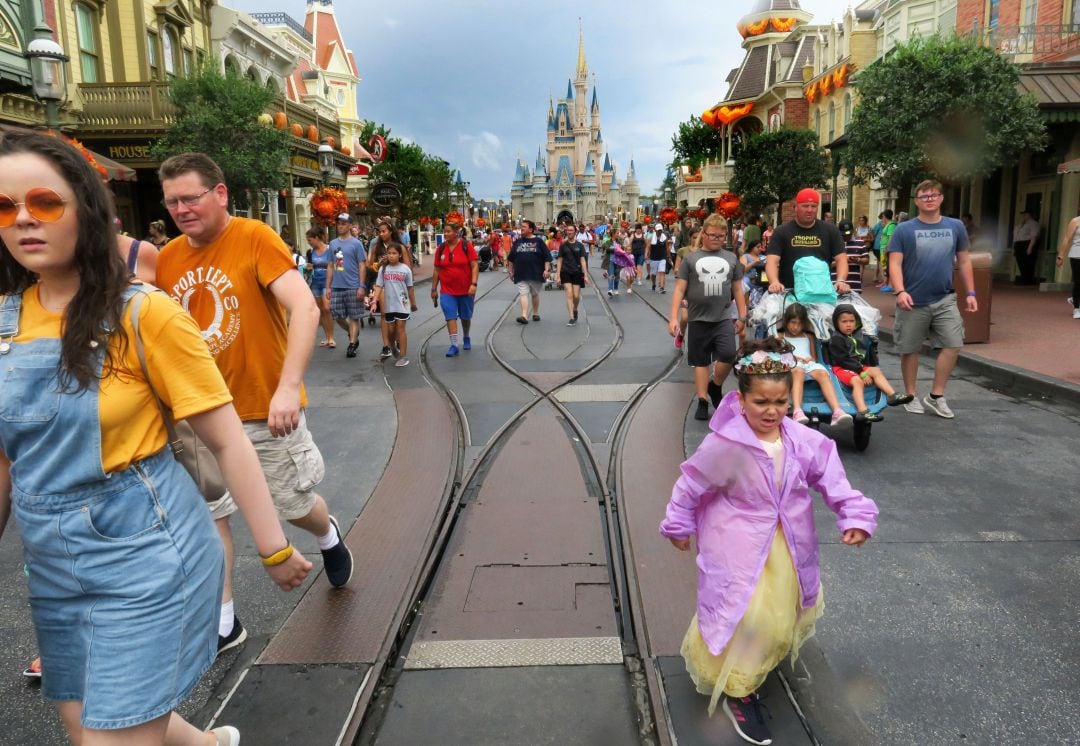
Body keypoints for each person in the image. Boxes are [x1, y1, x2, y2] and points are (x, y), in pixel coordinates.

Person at [0, 130, 311, 745]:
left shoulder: (146, 313)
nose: (24, 220)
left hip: (144, 552)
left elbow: (228, 441)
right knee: (89, 721)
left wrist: (273, 549)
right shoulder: (6, 321)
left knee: (106, 736)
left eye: (45, 202)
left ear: (87, 210)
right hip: (53, 565)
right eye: (5, 208)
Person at [157, 152, 354, 655]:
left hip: (262, 409)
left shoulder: (254, 238)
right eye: (172, 201)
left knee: (292, 507)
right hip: (199, 414)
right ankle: (225, 621)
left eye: (191, 197)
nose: (181, 208)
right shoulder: (168, 259)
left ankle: (326, 532)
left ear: (219, 194)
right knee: (211, 519)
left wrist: (288, 388)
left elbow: (304, 307)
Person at [660, 336, 878, 746]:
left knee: (778, 619)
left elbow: (833, 479)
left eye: (779, 402)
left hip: (787, 547)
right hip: (736, 546)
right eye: (761, 402)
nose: (772, 411)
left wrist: (856, 515)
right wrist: (679, 523)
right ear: (742, 400)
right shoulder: (727, 445)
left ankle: (751, 667)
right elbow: (693, 486)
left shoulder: (802, 440)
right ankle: (739, 692)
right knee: (745, 616)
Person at [888, 179, 977, 419]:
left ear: (941, 198)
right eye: (923, 196)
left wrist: (971, 292)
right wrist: (900, 291)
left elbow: (964, 260)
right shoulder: (904, 229)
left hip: (944, 298)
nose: (929, 199)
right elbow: (894, 263)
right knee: (910, 348)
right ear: (916, 201)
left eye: (933, 195)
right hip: (912, 299)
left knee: (953, 343)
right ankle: (910, 394)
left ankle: (936, 396)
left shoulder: (955, 226)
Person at [669, 213, 747, 421]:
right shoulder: (691, 259)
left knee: (729, 354)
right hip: (697, 318)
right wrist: (673, 318)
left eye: (721, 236)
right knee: (700, 361)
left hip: (722, 317)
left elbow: (738, 289)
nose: (717, 240)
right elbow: (679, 289)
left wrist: (742, 315)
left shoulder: (730, 258)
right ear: (703, 234)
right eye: (713, 235)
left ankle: (715, 386)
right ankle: (702, 400)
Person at [828, 305, 913, 421]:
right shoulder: (836, 339)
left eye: (852, 321)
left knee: (876, 370)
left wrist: (866, 366)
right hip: (841, 367)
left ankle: (892, 395)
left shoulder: (855, 336)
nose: (848, 324)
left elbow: (862, 356)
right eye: (844, 321)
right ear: (836, 323)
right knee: (857, 381)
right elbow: (843, 360)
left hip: (856, 366)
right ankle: (862, 411)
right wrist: (862, 373)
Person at [765, 188, 849, 298]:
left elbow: (841, 259)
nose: (810, 210)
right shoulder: (782, 231)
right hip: (790, 293)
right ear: (796, 207)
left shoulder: (830, 230)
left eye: (813, 206)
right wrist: (774, 282)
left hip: (821, 294)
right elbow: (772, 261)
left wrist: (841, 280)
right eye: (805, 206)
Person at [777, 304, 852, 426]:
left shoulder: (809, 336)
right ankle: (797, 410)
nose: (796, 327)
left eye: (800, 323)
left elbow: (814, 357)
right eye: (793, 322)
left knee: (823, 373)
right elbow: (781, 354)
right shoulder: (781, 336)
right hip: (791, 363)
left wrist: (808, 359)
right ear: (786, 321)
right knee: (799, 371)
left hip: (808, 363)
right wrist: (796, 358)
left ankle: (837, 411)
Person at [368, 217, 413, 360]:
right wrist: (378, 264)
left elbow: (407, 268)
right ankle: (387, 345)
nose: (381, 234)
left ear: (390, 231)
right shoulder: (377, 247)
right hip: (382, 283)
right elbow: (370, 265)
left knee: (398, 316)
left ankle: (398, 341)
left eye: (383, 231)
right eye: (379, 232)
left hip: (397, 284)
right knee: (384, 314)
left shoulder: (400, 247)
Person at [431, 219, 479, 356]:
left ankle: (466, 336)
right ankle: (454, 344)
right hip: (447, 290)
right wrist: (434, 289)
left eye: (448, 231)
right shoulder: (440, 249)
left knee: (465, 317)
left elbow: (474, 265)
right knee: (450, 316)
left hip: (466, 290)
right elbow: (437, 270)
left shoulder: (466, 245)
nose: (445, 234)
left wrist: (473, 284)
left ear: (456, 232)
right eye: (444, 231)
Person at [324, 213, 367, 358]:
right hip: (337, 285)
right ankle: (351, 331)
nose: (340, 226)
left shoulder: (356, 244)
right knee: (337, 315)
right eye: (339, 223)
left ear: (349, 225)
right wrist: (328, 286)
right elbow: (330, 265)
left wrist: (361, 286)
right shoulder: (333, 244)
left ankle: (352, 344)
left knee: (354, 316)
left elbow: (362, 265)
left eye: (343, 223)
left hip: (353, 285)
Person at [372, 243, 417, 367]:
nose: (391, 256)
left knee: (400, 329)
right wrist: (374, 301)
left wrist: (413, 303)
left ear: (400, 255)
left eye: (394, 253)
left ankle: (403, 356)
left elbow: (410, 288)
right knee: (391, 330)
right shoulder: (384, 269)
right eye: (389, 253)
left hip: (402, 304)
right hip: (389, 305)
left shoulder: (405, 269)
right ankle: (392, 346)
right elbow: (379, 286)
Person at [507, 219, 549, 324]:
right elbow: (511, 258)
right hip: (521, 273)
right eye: (521, 226)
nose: (521, 228)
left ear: (530, 229)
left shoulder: (539, 242)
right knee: (523, 294)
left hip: (536, 273)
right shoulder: (518, 242)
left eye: (524, 227)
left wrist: (546, 270)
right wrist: (511, 271)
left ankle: (535, 313)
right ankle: (524, 315)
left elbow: (547, 257)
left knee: (534, 294)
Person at [672, 226, 702, 351]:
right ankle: (681, 333)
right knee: (684, 318)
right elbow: (676, 269)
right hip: (685, 288)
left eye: (698, 237)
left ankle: (698, 343)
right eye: (694, 238)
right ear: (690, 238)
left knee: (699, 320)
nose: (697, 240)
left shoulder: (704, 252)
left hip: (700, 289)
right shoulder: (683, 251)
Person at [305, 225, 335, 348]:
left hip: (327, 283)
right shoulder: (310, 252)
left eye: (309, 240)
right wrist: (308, 268)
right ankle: (327, 337)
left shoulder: (330, 249)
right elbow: (309, 267)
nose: (309, 243)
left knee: (327, 308)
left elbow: (338, 265)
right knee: (321, 310)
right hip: (315, 283)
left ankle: (332, 337)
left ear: (317, 238)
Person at [557, 223, 589, 325]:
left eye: (571, 230)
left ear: (575, 232)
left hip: (577, 272)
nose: (569, 232)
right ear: (566, 232)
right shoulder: (563, 245)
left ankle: (575, 309)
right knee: (569, 294)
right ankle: (571, 317)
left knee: (576, 296)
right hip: (565, 272)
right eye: (568, 230)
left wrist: (586, 275)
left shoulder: (580, 245)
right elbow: (559, 260)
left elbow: (583, 260)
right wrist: (558, 275)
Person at [1055, 209, 1080, 319]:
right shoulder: (1075, 221)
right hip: (1077, 255)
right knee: (1078, 281)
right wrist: (1060, 256)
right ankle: (1076, 308)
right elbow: (1066, 238)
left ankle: (1075, 298)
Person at [832, 220, 869, 292]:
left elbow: (866, 260)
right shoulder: (833, 244)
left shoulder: (860, 243)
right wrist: (843, 260)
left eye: (849, 234)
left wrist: (857, 260)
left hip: (854, 284)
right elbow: (828, 265)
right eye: (844, 235)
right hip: (836, 284)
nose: (847, 237)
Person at [1012, 210, 1041, 285]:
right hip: (1019, 244)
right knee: (1020, 262)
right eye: (1022, 215)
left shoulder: (1033, 223)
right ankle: (1024, 278)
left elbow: (1034, 236)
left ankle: (1028, 279)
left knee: (1028, 263)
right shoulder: (1020, 224)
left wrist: (1030, 247)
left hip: (1027, 243)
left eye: (1025, 214)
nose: (1023, 216)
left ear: (1029, 215)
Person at [649, 223, 669, 293]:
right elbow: (648, 247)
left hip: (662, 257)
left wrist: (669, 257)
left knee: (662, 271)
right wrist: (646, 255)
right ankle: (654, 284)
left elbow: (667, 248)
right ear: (655, 230)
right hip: (653, 257)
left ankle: (662, 287)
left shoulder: (664, 238)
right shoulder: (651, 238)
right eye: (658, 230)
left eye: (660, 230)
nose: (659, 232)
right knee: (654, 274)